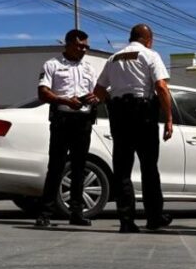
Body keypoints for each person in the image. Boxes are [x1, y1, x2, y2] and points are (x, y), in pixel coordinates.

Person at [93, 24, 174, 233]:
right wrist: (169, 118)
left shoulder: (114, 58)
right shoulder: (150, 55)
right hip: (143, 115)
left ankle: (126, 220)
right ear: (148, 39)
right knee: (149, 168)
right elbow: (161, 87)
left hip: (120, 116)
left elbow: (99, 90)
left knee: (122, 169)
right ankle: (154, 217)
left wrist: (113, 102)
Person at [35, 29, 100, 228]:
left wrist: (95, 98)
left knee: (79, 167)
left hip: (83, 121)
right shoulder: (52, 65)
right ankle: (45, 213)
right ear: (69, 43)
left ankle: (76, 212)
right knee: (56, 166)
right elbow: (43, 93)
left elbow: (97, 92)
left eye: (86, 46)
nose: (84, 49)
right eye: (80, 45)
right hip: (62, 119)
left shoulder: (89, 68)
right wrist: (64, 100)